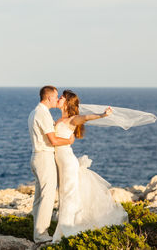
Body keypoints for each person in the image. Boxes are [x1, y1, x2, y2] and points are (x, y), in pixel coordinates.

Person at [52, 90, 128, 243]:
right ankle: (64, 231)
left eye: (61, 97)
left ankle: (66, 233)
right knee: (64, 195)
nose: (58, 99)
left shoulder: (72, 119)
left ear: (67, 102)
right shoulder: (61, 119)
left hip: (67, 162)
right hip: (61, 161)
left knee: (68, 195)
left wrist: (102, 115)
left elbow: (85, 117)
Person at [28, 86, 75, 243]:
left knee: (38, 198)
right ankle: (41, 235)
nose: (57, 99)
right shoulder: (43, 114)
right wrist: (68, 141)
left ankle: (37, 233)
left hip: (36, 156)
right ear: (48, 98)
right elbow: (53, 140)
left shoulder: (35, 112)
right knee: (47, 197)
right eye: (56, 97)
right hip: (44, 158)